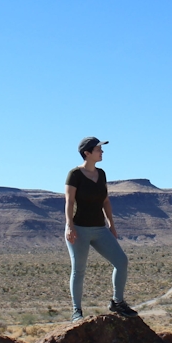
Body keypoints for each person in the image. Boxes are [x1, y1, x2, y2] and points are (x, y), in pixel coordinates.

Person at [65, 136, 136, 322]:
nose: (101, 152)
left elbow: (105, 200)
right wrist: (69, 226)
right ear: (87, 153)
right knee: (78, 270)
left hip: (99, 228)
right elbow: (69, 201)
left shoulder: (101, 173)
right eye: (98, 149)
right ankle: (76, 311)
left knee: (121, 261)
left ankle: (117, 302)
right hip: (79, 229)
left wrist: (111, 224)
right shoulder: (75, 174)